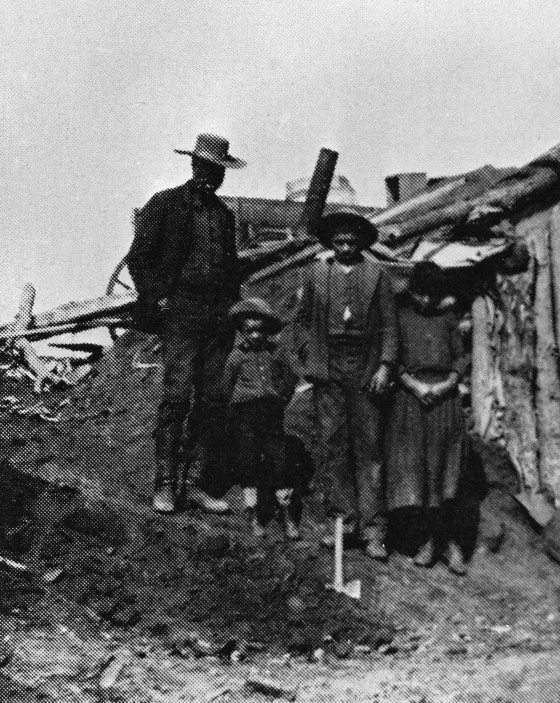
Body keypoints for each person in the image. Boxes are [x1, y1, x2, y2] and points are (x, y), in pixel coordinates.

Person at [124, 133, 248, 515]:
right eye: (204, 167)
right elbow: (138, 258)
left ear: (223, 175)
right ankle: (164, 485)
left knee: (211, 401)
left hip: (217, 317)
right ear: (193, 166)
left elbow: (231, 272)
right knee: (177, 397)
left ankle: (193, 484)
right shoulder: (165, 204)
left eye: (217, 171)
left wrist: (233, 310)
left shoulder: (225, 216)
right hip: (181, 312)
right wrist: (158, 298)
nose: (209, 176)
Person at [291, 211, 397, 559]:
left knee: (369, 449)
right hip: (330, 367)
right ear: (331, 244)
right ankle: (342, 522)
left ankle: (373, 529)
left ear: (362, 243)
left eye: (352, 242)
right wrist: (311, 356)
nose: (346, 248)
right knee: (334, 445)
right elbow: (302, 321)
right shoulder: (317, 273)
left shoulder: (376, 275)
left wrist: (384, 366)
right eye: (340, 243)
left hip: (365, 367)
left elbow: (389, 327)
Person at [385, 262, 474, 573]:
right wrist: (414, 385)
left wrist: (448, 384)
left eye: (434, 295)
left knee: (446, 474)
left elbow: (461, 357)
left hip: (444, 403)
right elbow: (390, 357)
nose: (427, 301)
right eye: (421, 294)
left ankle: (450, 544)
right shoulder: (399, 318)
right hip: (411, 401)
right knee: (419, 472)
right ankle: (426, 540)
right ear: (412, 292)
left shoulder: (448, 319)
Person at [217, 297, 301, 539]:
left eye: (259, 331)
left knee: (279, 460)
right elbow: (226, 386)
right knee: (248, 460)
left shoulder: (276, 353)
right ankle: (255, 516)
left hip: (271, 412)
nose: (254, 336)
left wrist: (281, 398)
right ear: (242, 332)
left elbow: (291, 377)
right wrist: (236, 404)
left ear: (267, 331)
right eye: (249, 331)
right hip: (245, 414)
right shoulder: (236, 356)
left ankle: (288, 517)